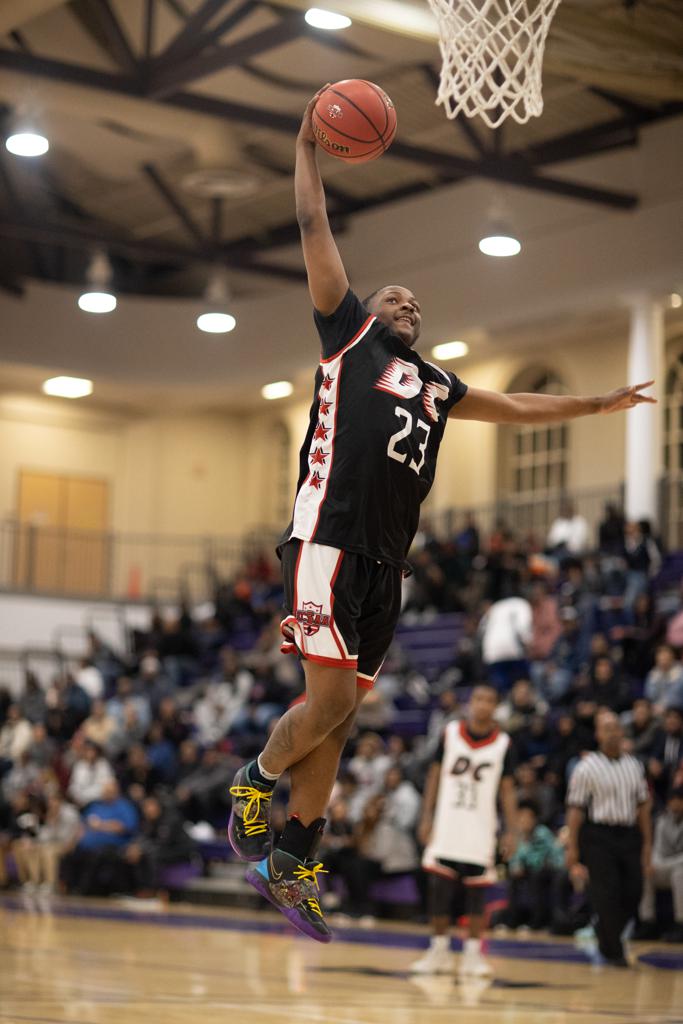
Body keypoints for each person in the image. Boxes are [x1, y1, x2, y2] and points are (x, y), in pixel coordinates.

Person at [226, 87, 657, 944]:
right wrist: (305, 144)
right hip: (327, 539)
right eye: (396, 297)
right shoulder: (347, 336)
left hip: (388, 560)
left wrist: (596, 404)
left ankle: (292, 858)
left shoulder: (436, 384)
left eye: (417, 304)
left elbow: (513, 404)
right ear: (368, 309)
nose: (408, 305)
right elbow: (314, 229)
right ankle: (253, 778)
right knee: (326, 701)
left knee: (342, 717)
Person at [410, 685, 518, 977]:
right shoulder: (450, 733)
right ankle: (439, 950)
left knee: (477, 894)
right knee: (439, 890)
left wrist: (511, 830)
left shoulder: (504, 743)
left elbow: (508, 791)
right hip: (448, 822)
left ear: (496, 706)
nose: (483, 705)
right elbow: (433, 776)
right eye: (478, 699)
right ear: (470, 703)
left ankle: (472, 954)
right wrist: (426, 816)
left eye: (489, 700)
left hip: (482, 826)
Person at [566, 711, 652, 966]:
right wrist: (572, 847)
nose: (612, 732)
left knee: (634, 890)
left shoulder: (634, 765)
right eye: (607, 728)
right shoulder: (586, 767)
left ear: (622, 731)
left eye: (616, 727)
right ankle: (614, 952)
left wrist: (647, 843)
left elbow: (644, 807)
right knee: (607, 892)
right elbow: (575, 809)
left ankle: (604, 930)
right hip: (598, 835)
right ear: (598, 734)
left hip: (628, 833)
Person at [638, 786, 683, 942]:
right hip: (665, 865)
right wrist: (652, 864)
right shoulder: (662, 820)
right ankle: (647, 922)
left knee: (680, 873)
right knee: (647, 872)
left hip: (680, 866)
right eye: (672, 801)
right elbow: (656, 849)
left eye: (678, 801)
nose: (675, 805)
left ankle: (680, 924)